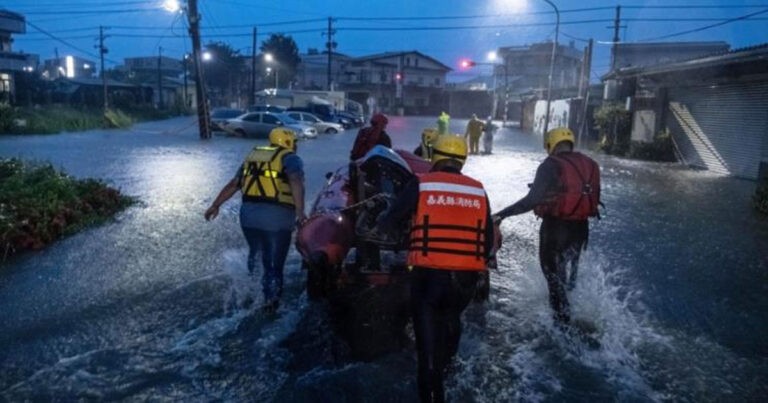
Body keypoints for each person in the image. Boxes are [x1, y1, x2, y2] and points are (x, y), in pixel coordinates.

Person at [377, 135, 494, 402]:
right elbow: (486, 242)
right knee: (451, 321)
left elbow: (390, 221)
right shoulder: (478, 190)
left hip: (428, 280)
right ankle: (450, 367)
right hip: (464, 283)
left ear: (434, 156)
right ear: (462, 160)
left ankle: (434, 383)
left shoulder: (421, 183)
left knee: (427, 361)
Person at [492, 127, 601, 325]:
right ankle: (569, 317)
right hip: (581, 230)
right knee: (565, 280)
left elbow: (531, 200)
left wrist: (501, 215)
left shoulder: (550, 165)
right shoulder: (590, 164)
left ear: (551, 144)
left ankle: (561, 329)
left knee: (554, 281)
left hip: (555, 230)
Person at [204, 128, 306, 314]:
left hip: (248, 217)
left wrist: (215, 205)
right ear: (288, 142)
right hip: (277, 218)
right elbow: (295, 180)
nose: (296, 146)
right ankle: (271, 304)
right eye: (295, 142)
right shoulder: (291, 158)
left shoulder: (253, 156)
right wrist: (300, 213)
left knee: (257, 254)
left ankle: (252, 292)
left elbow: (234, 184)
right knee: (274, 264)